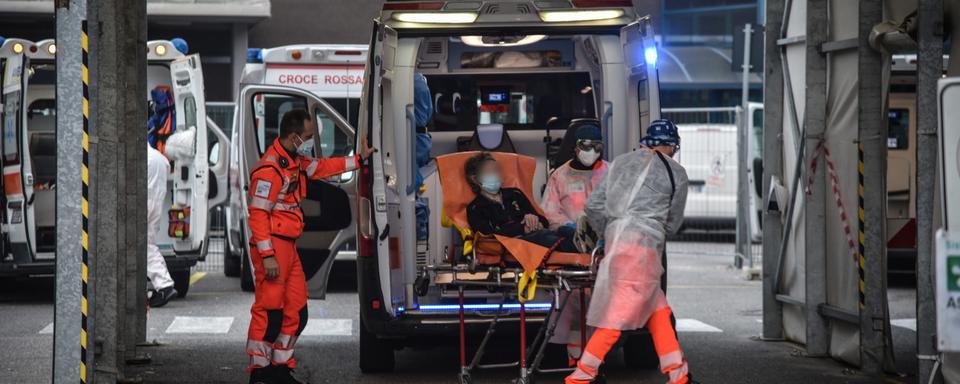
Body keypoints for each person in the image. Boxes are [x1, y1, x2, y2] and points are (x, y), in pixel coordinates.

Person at [245, 109, 375, 384]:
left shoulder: (295, 161)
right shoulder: (270, 170)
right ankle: (260, 373)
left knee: (296, 313)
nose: (309, 141)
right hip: (274, 248)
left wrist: (359, 159)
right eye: (307, 137)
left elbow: (323, 167)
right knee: (271, 312)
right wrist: (268, 256)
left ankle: (279, 369)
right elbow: (257, 216)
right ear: (293, 137)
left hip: (288, 247)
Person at [566, 119, 694, 384]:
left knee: (658, 311)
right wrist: (652, 229)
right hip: (643, 251)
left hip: (616, 246)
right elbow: (673, 222)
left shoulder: (620, 164)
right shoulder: (676, 173)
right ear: (673, 145)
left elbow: (594, 206)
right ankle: (582, 375)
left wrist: (608, 236)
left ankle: (678, 374)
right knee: (617, 316)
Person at [540, 124, 609, 364]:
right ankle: (561, 354)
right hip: (571, 243)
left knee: (596, 306)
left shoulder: (611, 174)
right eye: (586, 146)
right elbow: (549, 213)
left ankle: (590, 360)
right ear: (576, 147)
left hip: (604, 246)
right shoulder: (560, 175)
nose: (591, 152)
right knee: (567, 301)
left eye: (597, 147)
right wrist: (571, 228)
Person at [464, 152, 577, 253]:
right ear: (474, 179)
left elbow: (544, 221)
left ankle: (583, 243)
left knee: (565, 230)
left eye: (496, 170)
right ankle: (580, 248)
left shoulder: (515, 194)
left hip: (536, 234)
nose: (495, 174)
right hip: (512, 244)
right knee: (543, 236)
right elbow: (488, 236)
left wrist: (536, 220)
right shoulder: (475, 208)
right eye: (489, 171)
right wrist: (521, 228)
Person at [146, 144, 177, 307]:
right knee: (148, 243)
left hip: (144, 203)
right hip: (156, 204)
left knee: (143, 244)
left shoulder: (142, 158)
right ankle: (163, 282)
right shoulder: (160, 159)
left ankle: (164, 284)